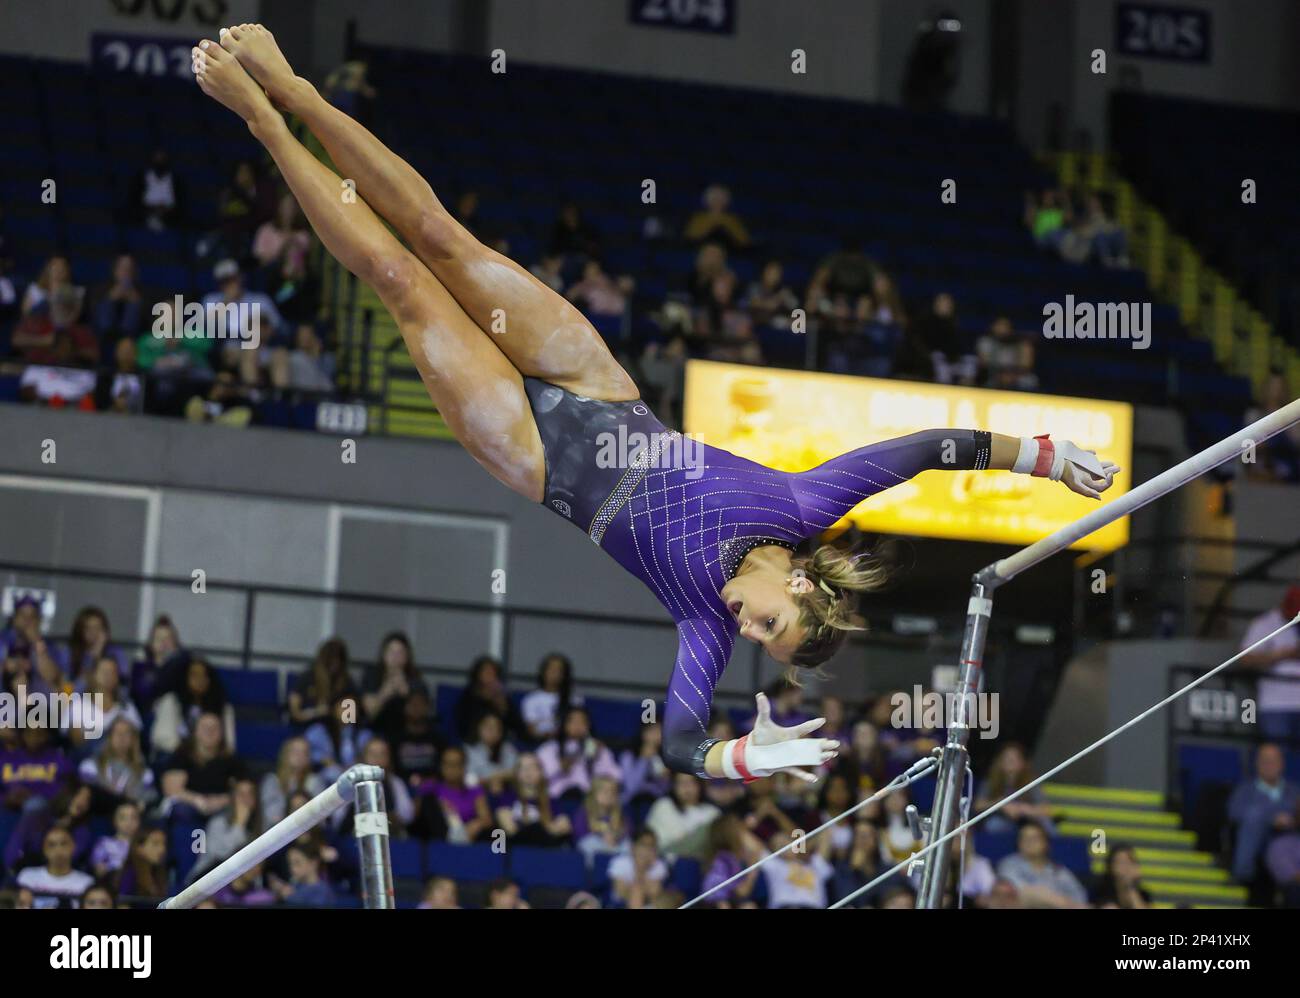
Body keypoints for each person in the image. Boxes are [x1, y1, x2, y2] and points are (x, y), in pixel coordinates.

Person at [194, 24, 1120, 785]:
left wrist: (743, 756)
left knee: (399, 278)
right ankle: (298, 92)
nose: (744, 628)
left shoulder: (703, 625)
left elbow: (680, 743)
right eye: (771, 622)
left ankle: (264, 126)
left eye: (758, 640)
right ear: (798, 580)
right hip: (605, 394)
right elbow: (930, 446)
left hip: (540, 457)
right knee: (439, 235)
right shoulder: (803, 508)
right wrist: (1044, 456)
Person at [1227, 742, 1299, 885]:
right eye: (1265, 761)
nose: (1269, 765)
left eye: (1274, 761)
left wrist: (1292, 819)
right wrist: (1271, 819)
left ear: (1282, 764)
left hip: (1292, 837)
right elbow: (1234, 812)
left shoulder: (1295, 791)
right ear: (1257, 764)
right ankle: (1242, 874)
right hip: (1260, 838)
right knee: (1254, 814)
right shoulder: (1245, 790)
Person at [1238, 586, 1300, 742]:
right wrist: (1281, 655)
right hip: (1275, 704)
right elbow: (1245, 659)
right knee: (1275, 755)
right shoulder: (1265, 624)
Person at [995, 821, 1088, 908]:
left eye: (1034, 838)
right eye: (1024, 838)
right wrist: (1057, 901)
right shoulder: (1009, 863)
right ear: (1018, 843)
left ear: (1045, 843)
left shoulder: (1058, 870)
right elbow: (1020, 892)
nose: (1029, 842)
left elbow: (1079, 896)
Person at [77, 717, 156, 807]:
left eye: (126, 733)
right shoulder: (90, 766)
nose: (121, 736)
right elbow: (86, 795)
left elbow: (149, 798)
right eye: (116, 732)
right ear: (109, 737)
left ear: (133, 739)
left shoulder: (144, 773)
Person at [644, 773, 721, 861]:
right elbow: (654, 841)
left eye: (691, 783)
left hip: (701, 864)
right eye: (681, 783)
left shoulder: (712, 812)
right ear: (673, 786)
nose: (686, 788)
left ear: (700, 785)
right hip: (666, 860)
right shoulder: (663, 806)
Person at [15, 826, 94, 909]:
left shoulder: (87, 883)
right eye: (51, 845)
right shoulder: (27, 877)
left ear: (73, 846)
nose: (58, 849)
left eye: (63, 843)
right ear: (44, 849)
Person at [260, 735, 324, 825]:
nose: (300, 756)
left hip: (307, 834)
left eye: (304, 752)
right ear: (285, 754)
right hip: (278, 833)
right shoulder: (272, 781)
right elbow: (271, 816)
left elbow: (321, 820)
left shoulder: (314, 782)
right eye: (295, 751)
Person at [519, 652, 578, 743]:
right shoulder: (531, 700)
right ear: (543, 672)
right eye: (551, 669)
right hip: (540, 743)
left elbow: (578, 726)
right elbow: (531, 730)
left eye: (559, 670)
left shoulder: (574, 699)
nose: (555, 674)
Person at [1090, 842, 1151, 909]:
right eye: (1121, 862)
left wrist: (1131, 886)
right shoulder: (1100, 890)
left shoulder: (1142, 894)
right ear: (1111, 866)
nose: (1125, 867)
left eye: (1129, 862)